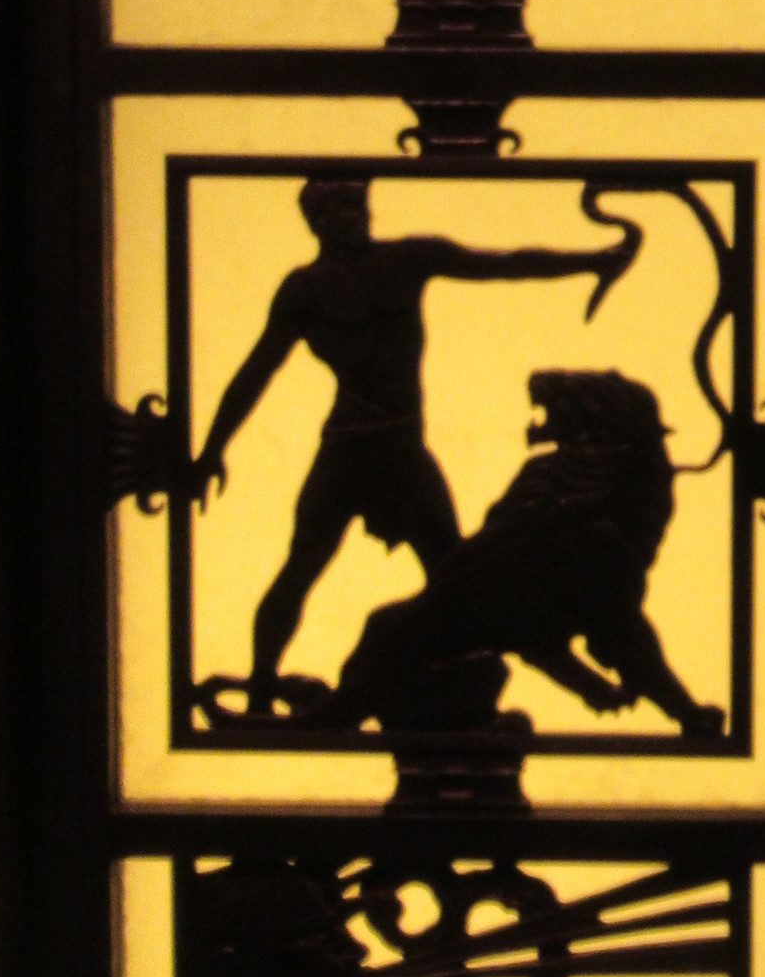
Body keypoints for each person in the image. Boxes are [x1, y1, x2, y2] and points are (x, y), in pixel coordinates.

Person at [187, 177, 642, 714]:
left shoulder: (407, 260)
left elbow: (502, 264)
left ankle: (575, 686)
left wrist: (592, 261)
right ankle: (261, 690)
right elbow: (256, 372)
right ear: (315, 222)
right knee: (301, 568)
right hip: (347, 454)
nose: (352, 217)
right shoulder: (303, 291)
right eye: (337, 209)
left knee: (462, 580)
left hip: (403, 457)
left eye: (357, 205)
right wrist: (211, 449)